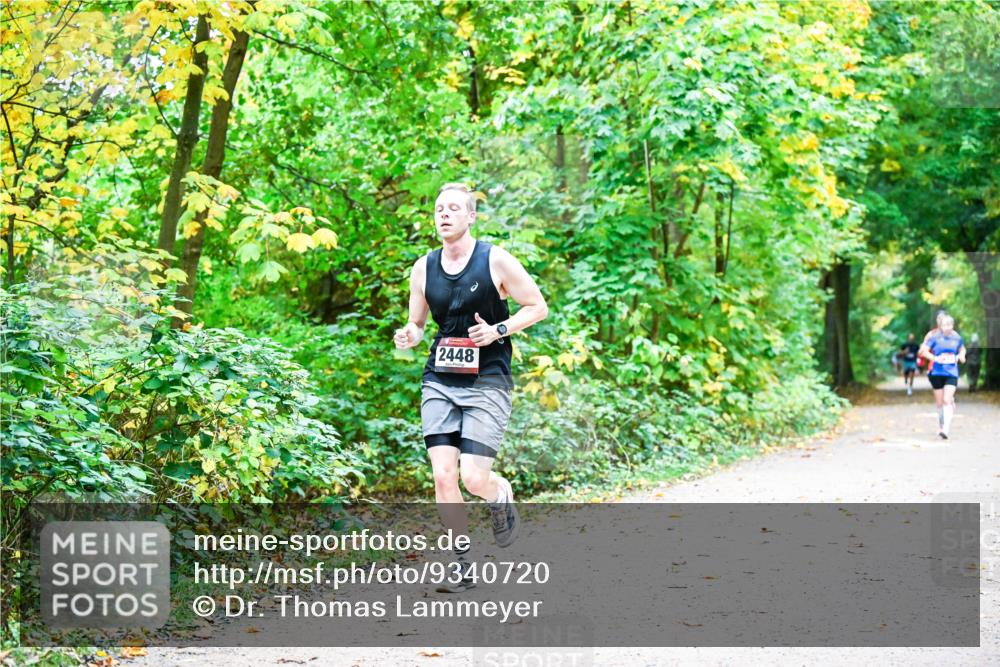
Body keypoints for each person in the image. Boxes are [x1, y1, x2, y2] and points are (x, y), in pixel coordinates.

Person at [393, 182, 548, 592]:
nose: (444, 214)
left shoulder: (495, 260)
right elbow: (418, 323)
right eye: (439, 208)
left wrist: (498, 330)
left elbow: (537, 306)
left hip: (488, 380)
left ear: (471, 216)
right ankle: (461, 565)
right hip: (440, 380)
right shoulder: (423, 267)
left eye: (454, 208)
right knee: (444, 475)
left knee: (473, 478)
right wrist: (408, 334)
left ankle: (499, 496)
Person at [919, 314, 965, 439]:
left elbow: (962, 349)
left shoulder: (957, 337)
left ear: (952, 325)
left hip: (951, 372)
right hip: (937, 372)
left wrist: (962, 356)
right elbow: (923, 351)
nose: (947, 327)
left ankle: (945, 430)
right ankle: (941, 425)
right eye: (944, 325)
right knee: (940, 403)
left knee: (946, 400)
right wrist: (935, 358)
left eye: (949, 325)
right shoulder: (933, 337)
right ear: (940, 325)